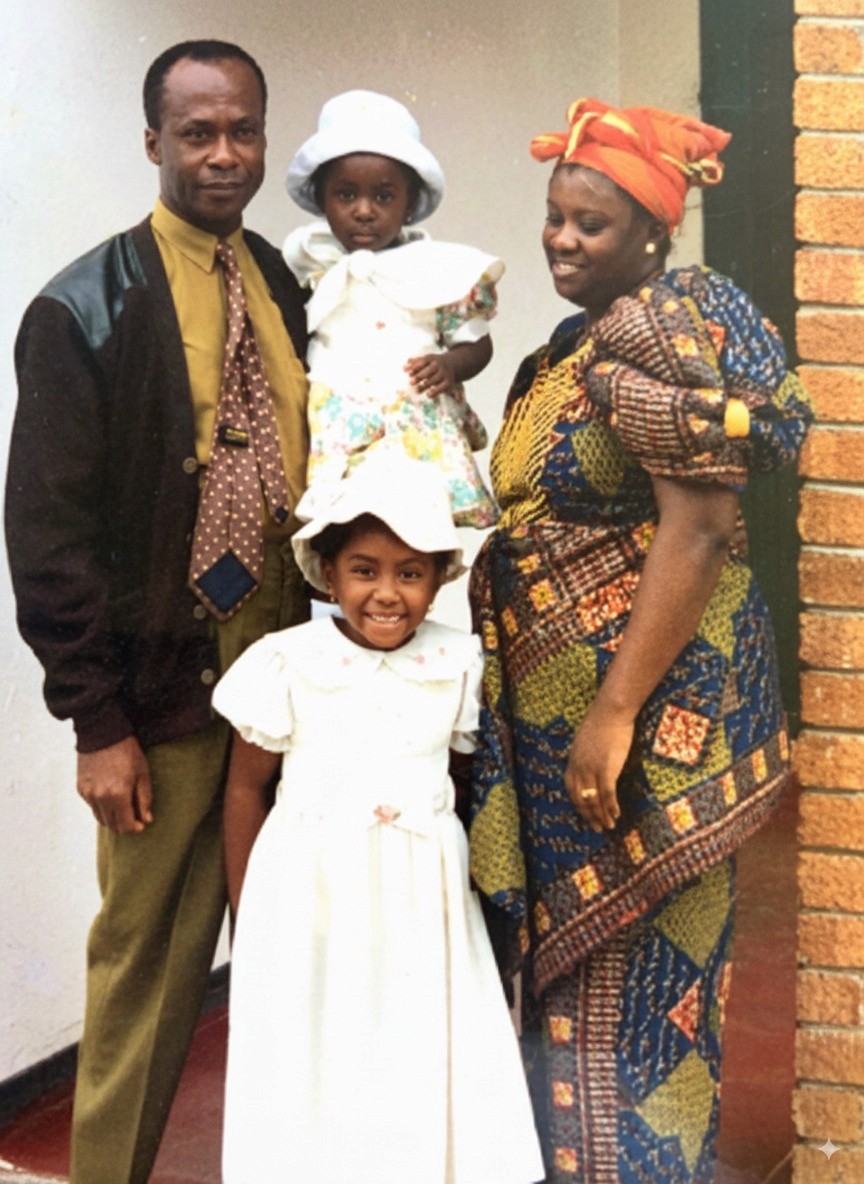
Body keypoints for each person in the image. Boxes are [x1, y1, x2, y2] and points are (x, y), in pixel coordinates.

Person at [468, 97, 813, 1183]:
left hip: (644, 741)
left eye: (593, 223)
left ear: (656, 232)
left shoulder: (659, 331)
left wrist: (613, 714)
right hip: (565, 730)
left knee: (644, 1013)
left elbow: (699, 528)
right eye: (556, 216)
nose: (563, 240)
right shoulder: (573, 345)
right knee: (576, 1012)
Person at [4, 40, 309, 1184]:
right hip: (169, 690)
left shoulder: (279, 279)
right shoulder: (83, 306)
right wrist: (97, 721)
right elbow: (45, 534)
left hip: (297, 666)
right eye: (198, 133)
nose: (224, 154)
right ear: (154, 144)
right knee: (146, 963)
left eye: (243, 130)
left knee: (304, 949)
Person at [213, 454, 544, 1184]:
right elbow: (245, 792)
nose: (387, 593)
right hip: (313, 895)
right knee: (321, 1043)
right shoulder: (286, 662)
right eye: (364, 571)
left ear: (438, 578)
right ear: (329, 575)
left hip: (422, 894)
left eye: (410, 573)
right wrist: (249, 914)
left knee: (410, 1043)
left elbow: (463, 781)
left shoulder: (457, 661)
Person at [282, 89, 503, 527]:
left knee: (415, 529)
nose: (364, 211)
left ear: (410, 205)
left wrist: (450, 366)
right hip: (340, 429)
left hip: (412, 426)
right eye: (345, 195)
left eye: (383, 198)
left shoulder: (435, 271)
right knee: (346, 530)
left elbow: (478, 343)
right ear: (323, 199)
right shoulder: (313, 264)